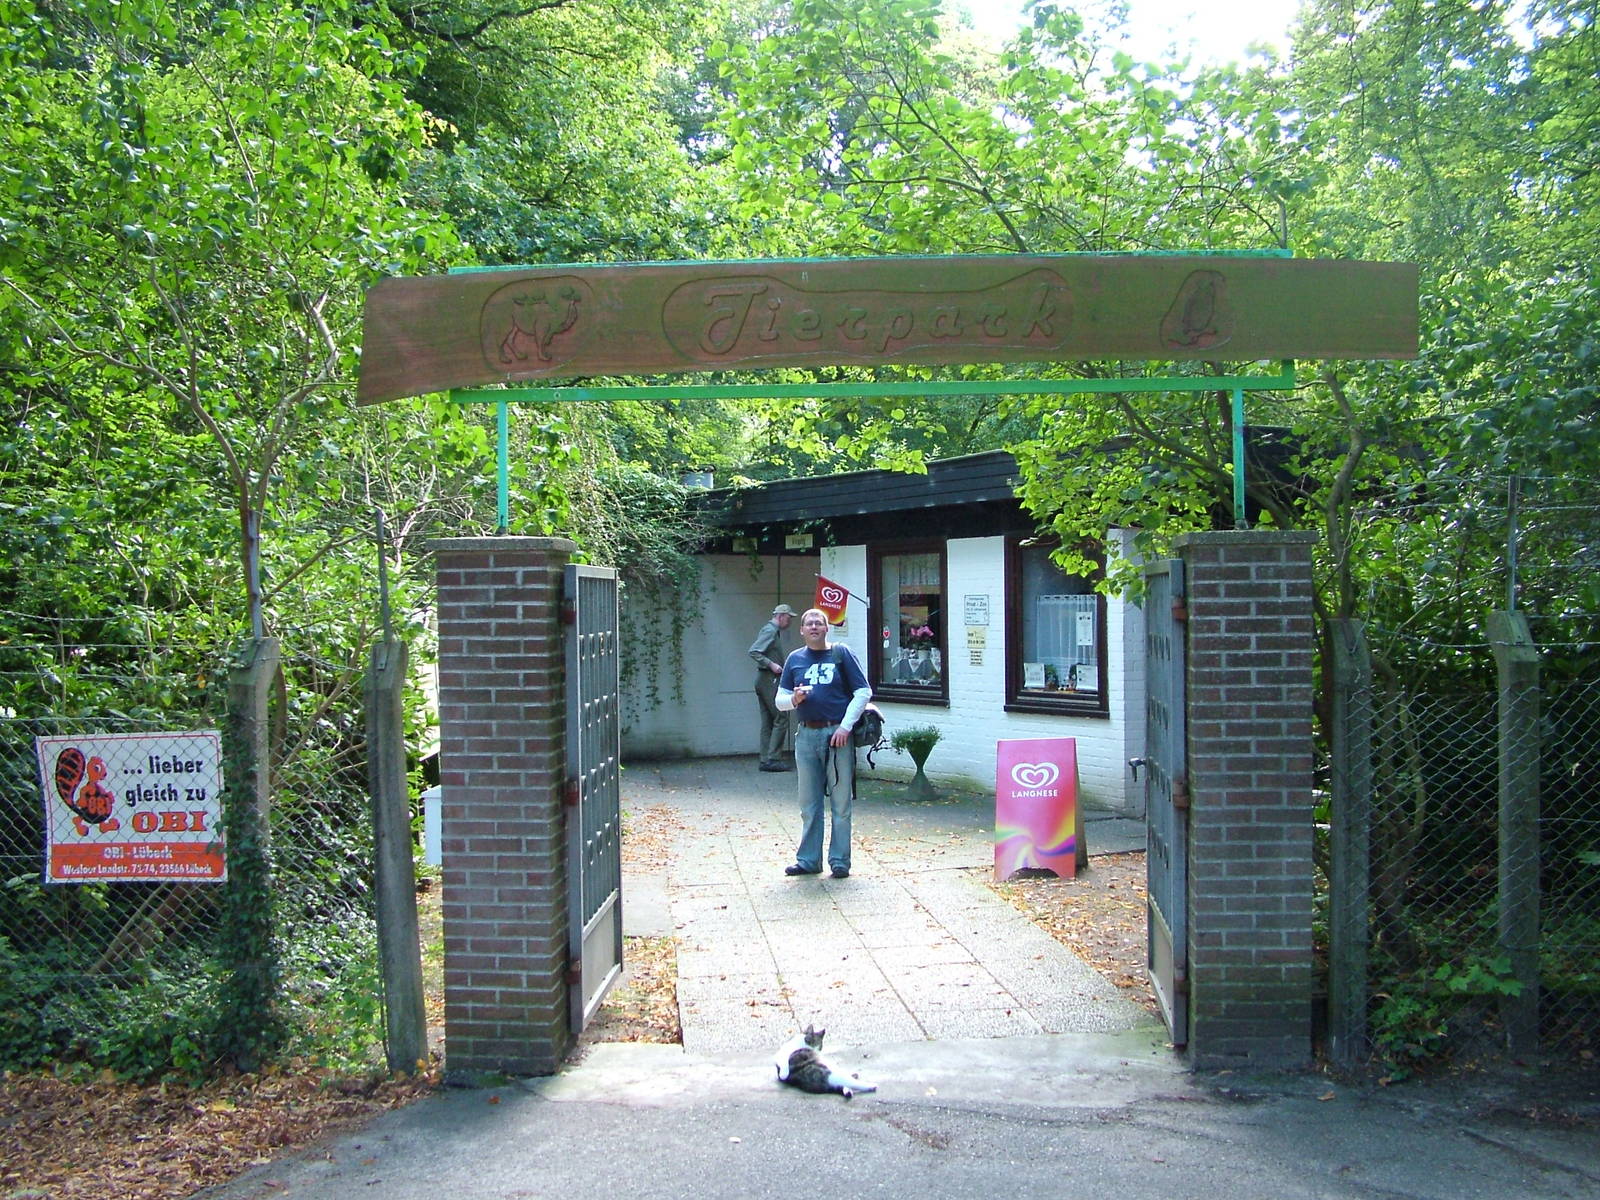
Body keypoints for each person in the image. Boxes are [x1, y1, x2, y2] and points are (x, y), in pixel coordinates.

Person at [775, 608, 872, 879]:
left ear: (827, 628)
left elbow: (863, 691)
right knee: (809, 804)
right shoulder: (795, 659)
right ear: (802, 630)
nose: (815, 626)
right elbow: (779, 701)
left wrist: (845, 726)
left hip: (837, 737)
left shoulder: (841, 654)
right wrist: (793, 700)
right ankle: (808, 860)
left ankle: (840, 862)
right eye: (809, 623)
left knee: (841, 804)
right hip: (806, 737)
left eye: (819, 622)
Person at [749, 603, 797, 772]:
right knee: (781, 717)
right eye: (789, 618)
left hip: (763, 680)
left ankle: (765, 759)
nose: (790, 621)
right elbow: (754, 651)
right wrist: (772, 665)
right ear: (781, 616)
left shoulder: (771, 631)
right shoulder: (770, 631)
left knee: (768, 721)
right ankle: (773, 759)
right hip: (769, 680)